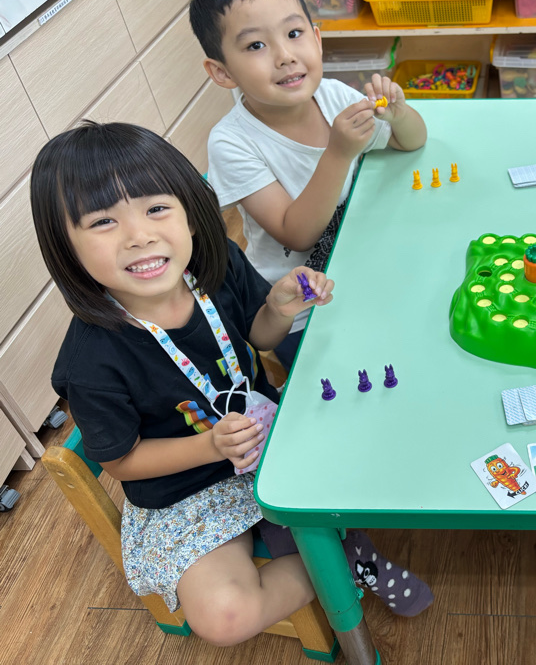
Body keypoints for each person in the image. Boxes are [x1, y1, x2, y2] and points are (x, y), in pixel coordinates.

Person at [31, 123, 433, 646]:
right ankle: (344, 557)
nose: (139, 235)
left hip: (269, 440)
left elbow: (258, 337)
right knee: (225, 619)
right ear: (65, 246)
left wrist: (279, 308)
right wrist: (210, 446)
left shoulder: (215, 264)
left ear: (190, 211)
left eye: (157, 208)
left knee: (388, 450)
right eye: (104, 221)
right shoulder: (90, 360)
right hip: (186, 489)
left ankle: (322, 543)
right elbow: (121, 461)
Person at [189, 0, 428, 370]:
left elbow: (412, 142)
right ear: (222, 72)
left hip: (362, 269)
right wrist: (338, 153)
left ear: (317, 39)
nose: (285, 56)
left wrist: (399, 114)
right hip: (301, 311)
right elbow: (298, 234)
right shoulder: (232, 142)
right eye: (255, 45)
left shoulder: (334, 95)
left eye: (294, 34)